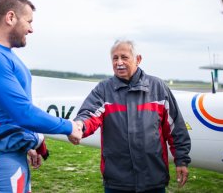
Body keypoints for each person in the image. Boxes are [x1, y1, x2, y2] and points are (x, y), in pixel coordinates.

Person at [0, 0, 82, 193]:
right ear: (10, 18)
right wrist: (68, 126)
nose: (31, 29)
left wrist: (28, 142)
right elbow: (23, 113)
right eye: (28, 21)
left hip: (11, 154)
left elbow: (9, 113)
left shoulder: (4, 55)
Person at [70, 40, 191, 193]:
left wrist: (181, 160)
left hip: (153, 179)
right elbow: (89, 114)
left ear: (138, 59)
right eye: (115, 58)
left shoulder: (158, 88)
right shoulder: (103, 89)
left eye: (124, 57)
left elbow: (175, 128)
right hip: (117, 181)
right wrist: (80, 125)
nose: (119, 62)